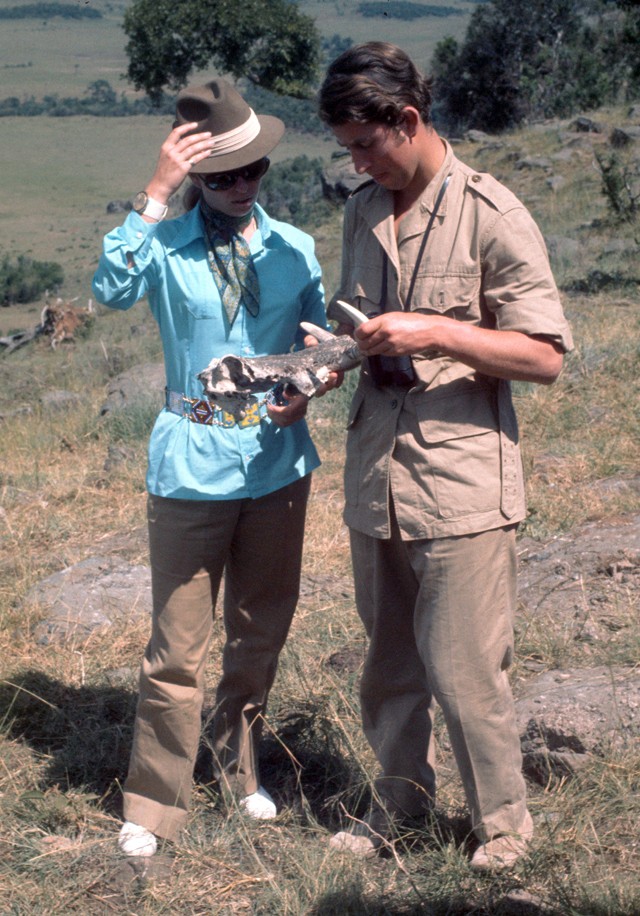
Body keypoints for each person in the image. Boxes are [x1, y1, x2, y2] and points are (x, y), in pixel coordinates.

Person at [318, 42, 573, 869]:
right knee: (388, 666)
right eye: (348, 149)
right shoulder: (363, 210)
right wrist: (326, 364)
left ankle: (502, 828)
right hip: (376, 473)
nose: (357, 164)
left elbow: (544, 356)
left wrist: (436, 332)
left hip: (459, 480)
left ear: (410, 120)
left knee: (465, 674)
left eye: (367, 145)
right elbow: (364, 327)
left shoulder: (492, 212)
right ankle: (401, 807)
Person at [92, 79, 338, 856]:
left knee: (259, 632)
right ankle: (154, 803)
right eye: (221, 175)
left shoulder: (293, 247)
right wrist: (157, 191)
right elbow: (111, 288)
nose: (241, 186)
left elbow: (319, 344)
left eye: (253, 170)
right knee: (176, 650)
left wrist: (314, 382)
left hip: (277, 463)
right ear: (196, 176)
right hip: (191, 466)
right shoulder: (164, 245)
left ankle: (239, 771)